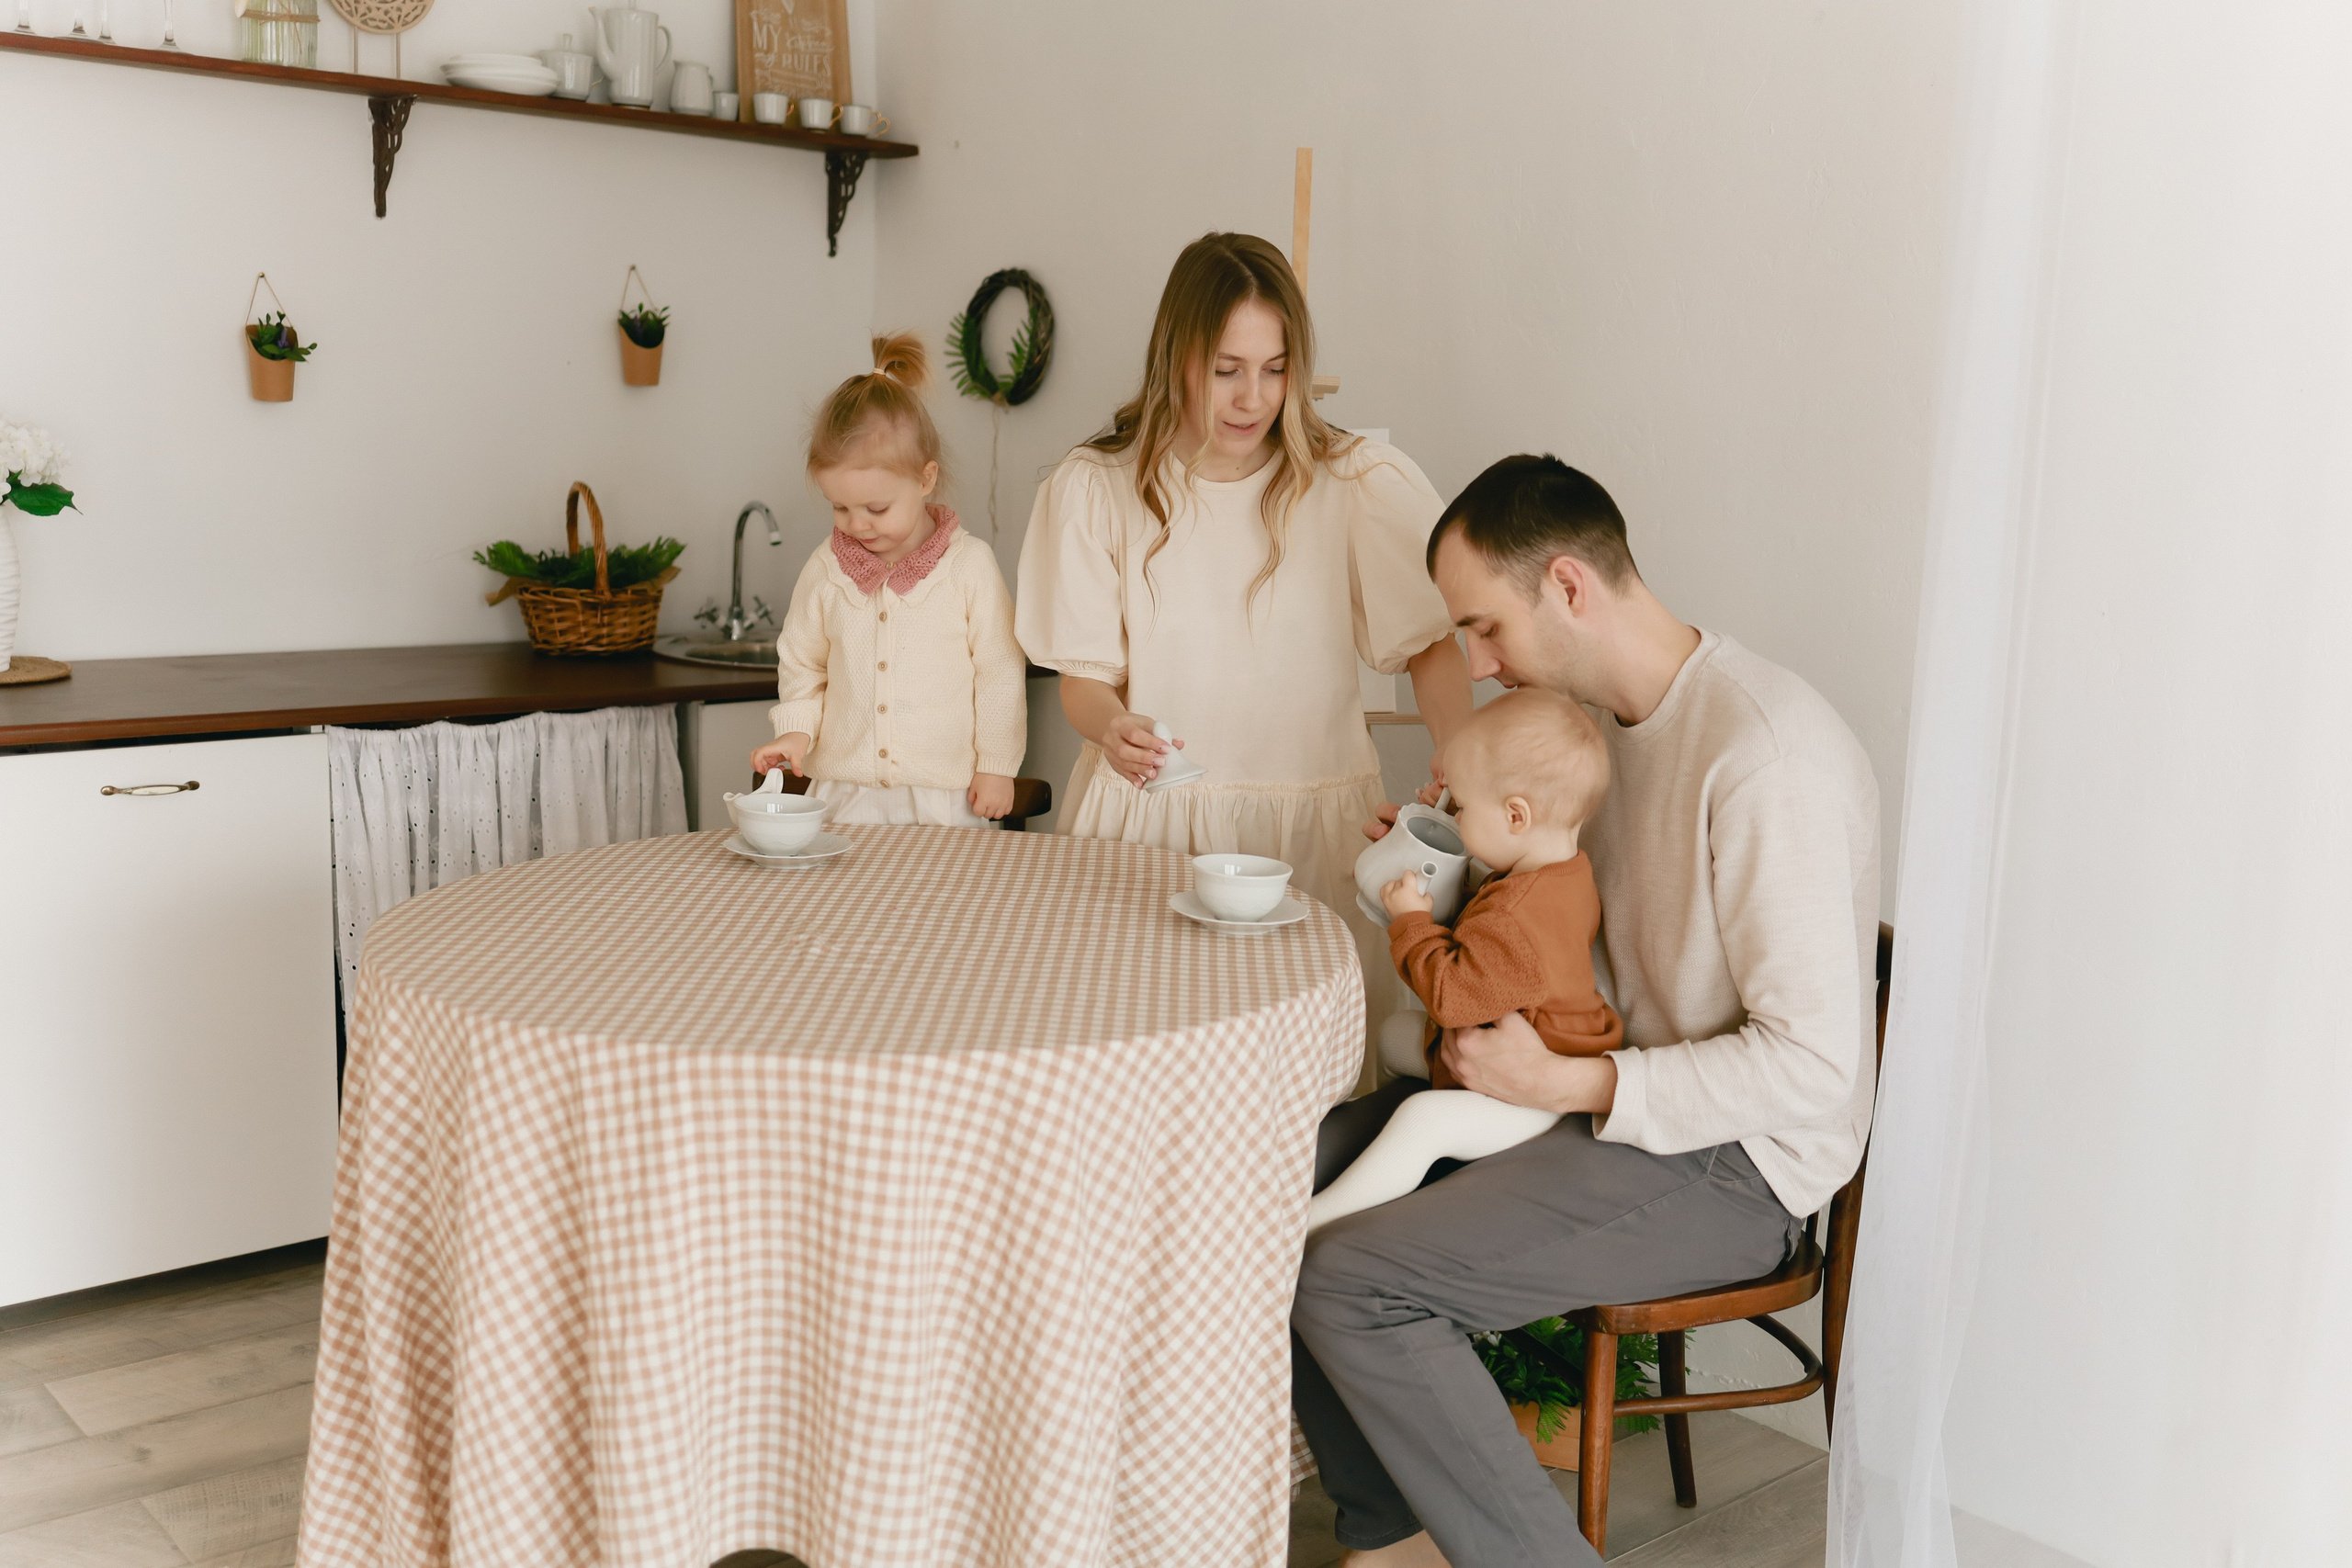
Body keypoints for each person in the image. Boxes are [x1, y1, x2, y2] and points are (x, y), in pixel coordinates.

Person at [1294, 455, 1881, 1568]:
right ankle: (1402, 1543)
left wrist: (1574, 1081)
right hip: (1602, 1101)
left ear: (1566, 585)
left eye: (1484, 628)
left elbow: (1812, 1067)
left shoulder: (1768, 758)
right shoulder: (1591, 734)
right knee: (1275, 1182)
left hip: (1737, 1162)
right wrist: (1446, 867)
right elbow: (1554, 943)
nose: (1475, 664)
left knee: (1349, 1276)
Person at [1015, 232, 1472, 1055]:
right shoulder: (1098, 487)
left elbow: (1431, 643)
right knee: (1136, 1059)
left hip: (1313, 836)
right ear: (1176, 358)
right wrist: (1111, 727)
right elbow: (1081, 681)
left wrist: (1463, 762)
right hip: (1147, 829)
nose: (1252, 397)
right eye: (1226, 369)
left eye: (1275, 368)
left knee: (1308, 1076)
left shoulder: (1353, 482)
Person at [1305, 687, 1622, 1235]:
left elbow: (1452, 999)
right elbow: (1490, 937)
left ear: (1516, 815)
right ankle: (1410, 1126)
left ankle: (1315, 1221)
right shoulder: (1560, 872)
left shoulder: (1518, 916)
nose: (1457, 817)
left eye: (1464, 808)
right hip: (1529, 1047)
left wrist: (1411, 922)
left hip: (1533, 1098)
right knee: (1393, 1035)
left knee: (1421, 1121)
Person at [752, 333, 1027, 827]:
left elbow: (1000, 672)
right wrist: (795, 731)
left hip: (947, 798)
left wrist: (997, 765)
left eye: (876, 508)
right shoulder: (826, 570)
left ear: (925, 479)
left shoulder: (969, 566)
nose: (857, 524)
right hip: (845, 797)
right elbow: (802, 663)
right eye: (840, 507)